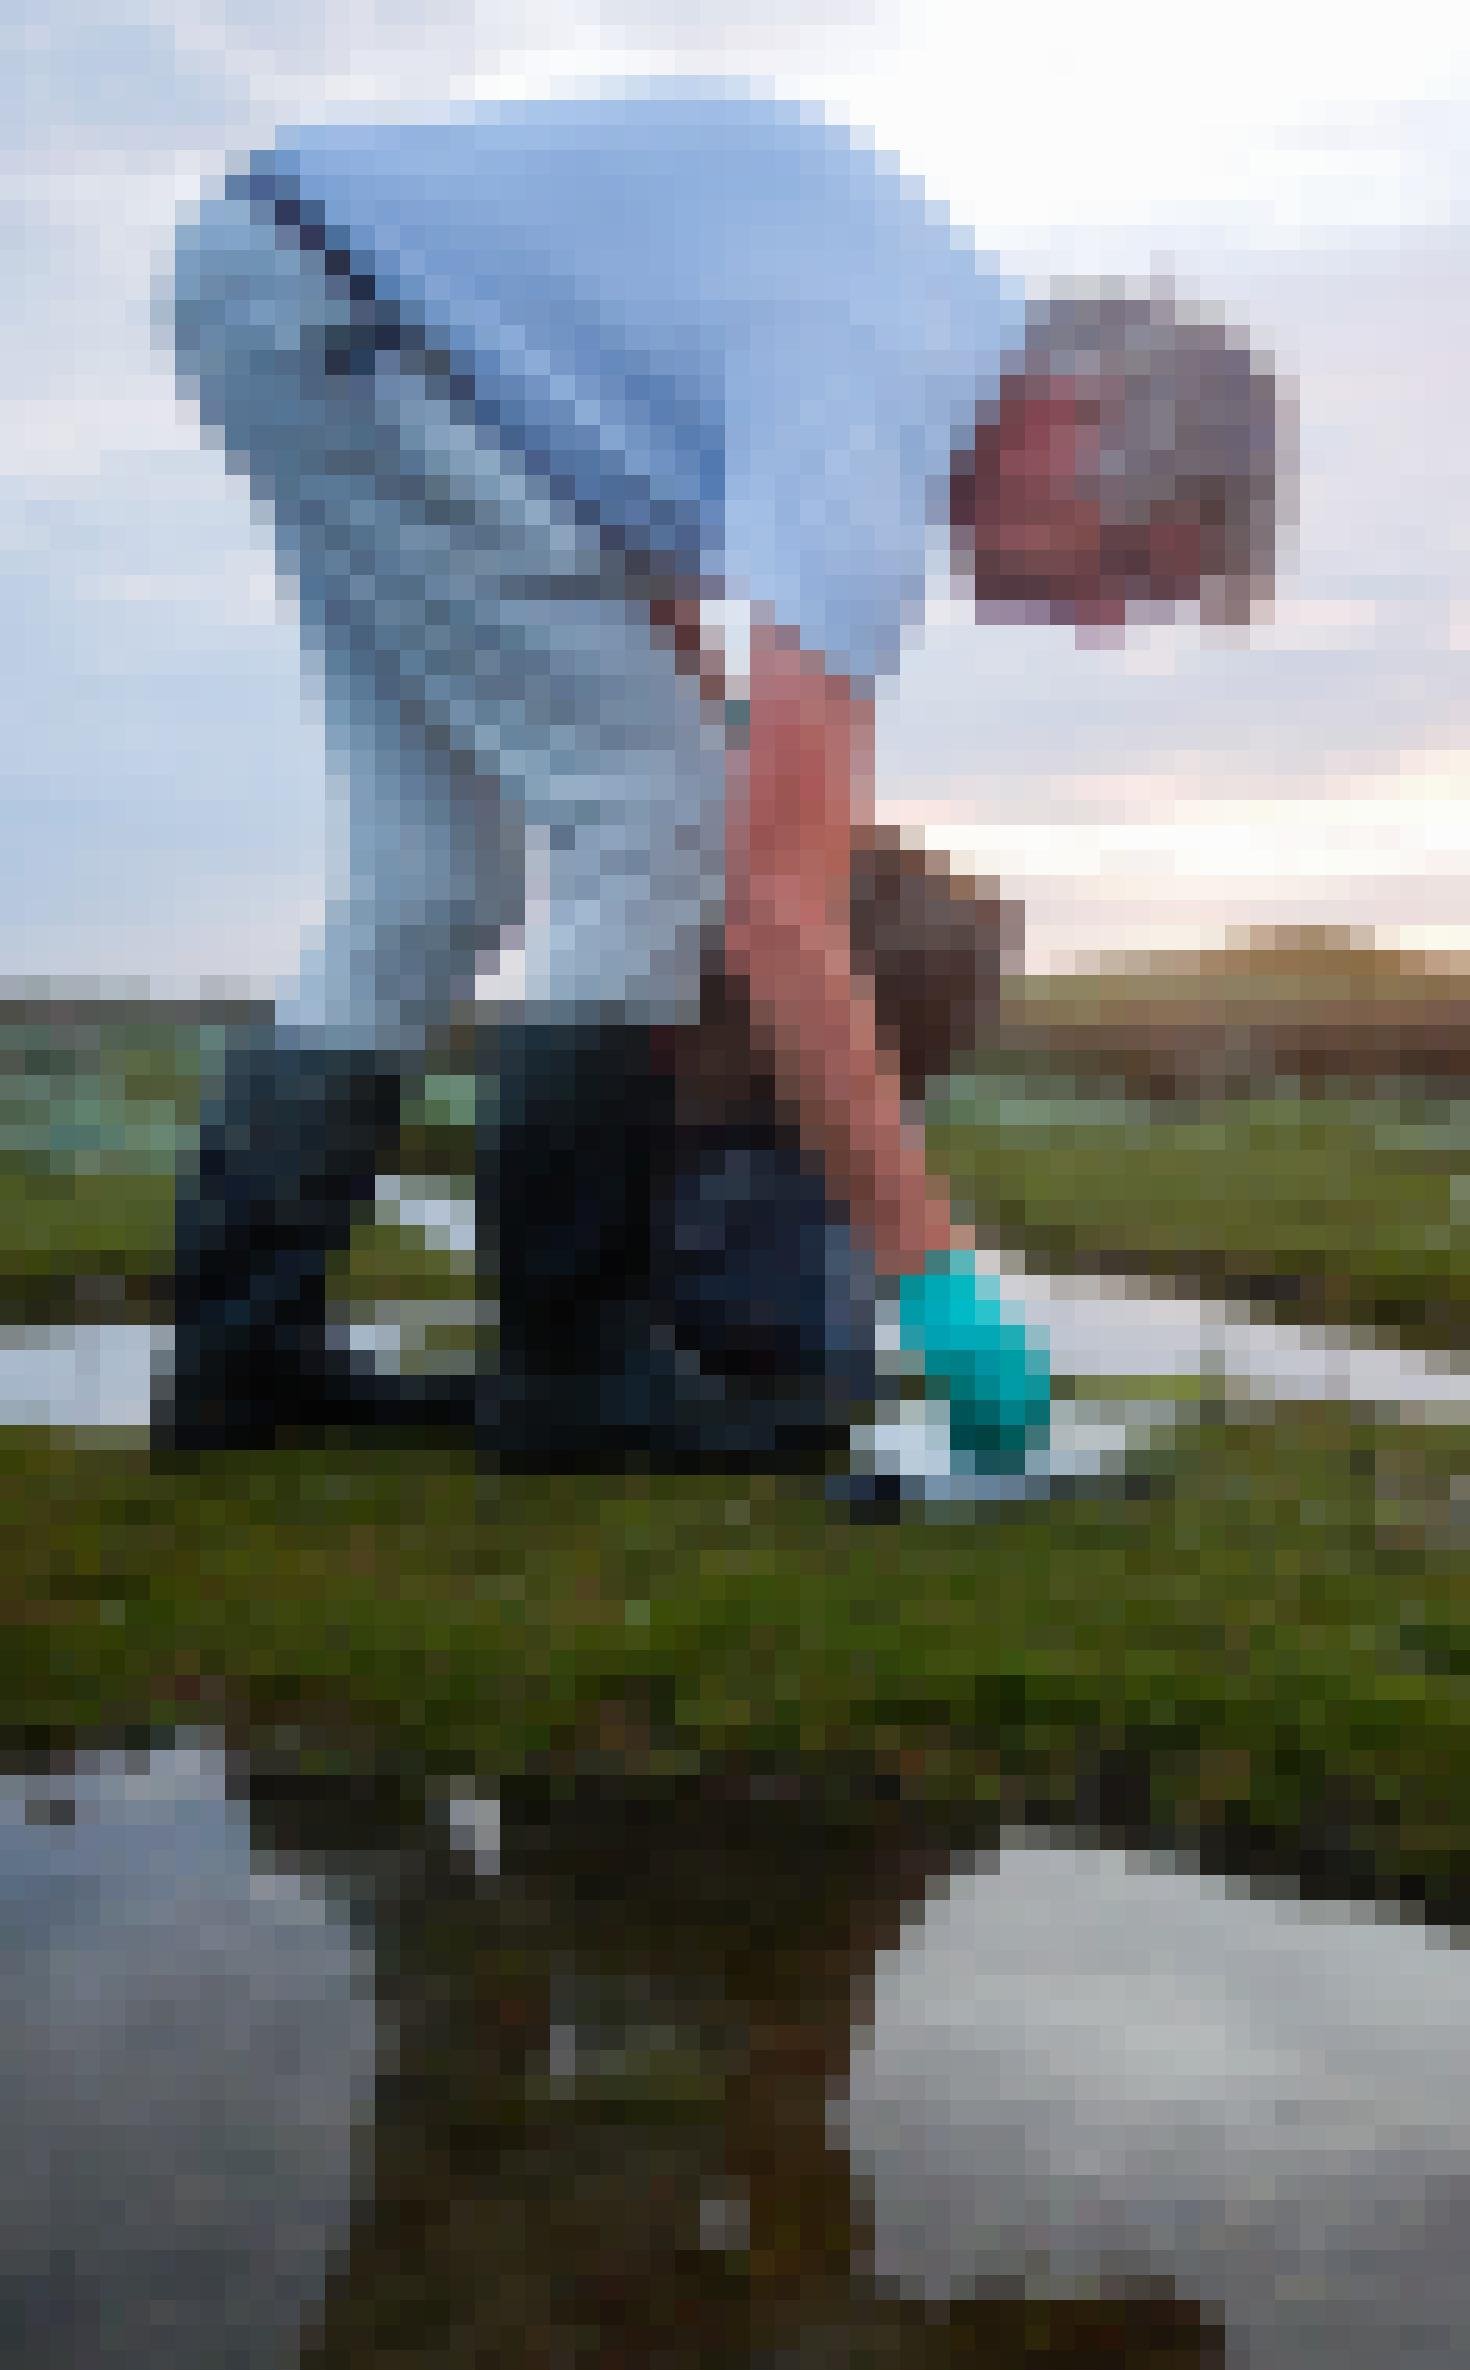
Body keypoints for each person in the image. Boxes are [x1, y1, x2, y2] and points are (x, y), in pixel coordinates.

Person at [157, 82, 1284, 1471]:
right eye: (1125, 561)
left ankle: (237, 1358)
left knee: (433, 876)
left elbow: (637, 577)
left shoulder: (900, 338)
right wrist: (934, 1282)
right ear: (1073, 414)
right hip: (345, 322)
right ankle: (571, 1368)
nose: (1102, 620)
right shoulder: (882, 397)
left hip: (305, 299)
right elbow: (770, 899)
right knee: (651, 820)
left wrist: (740, 781)